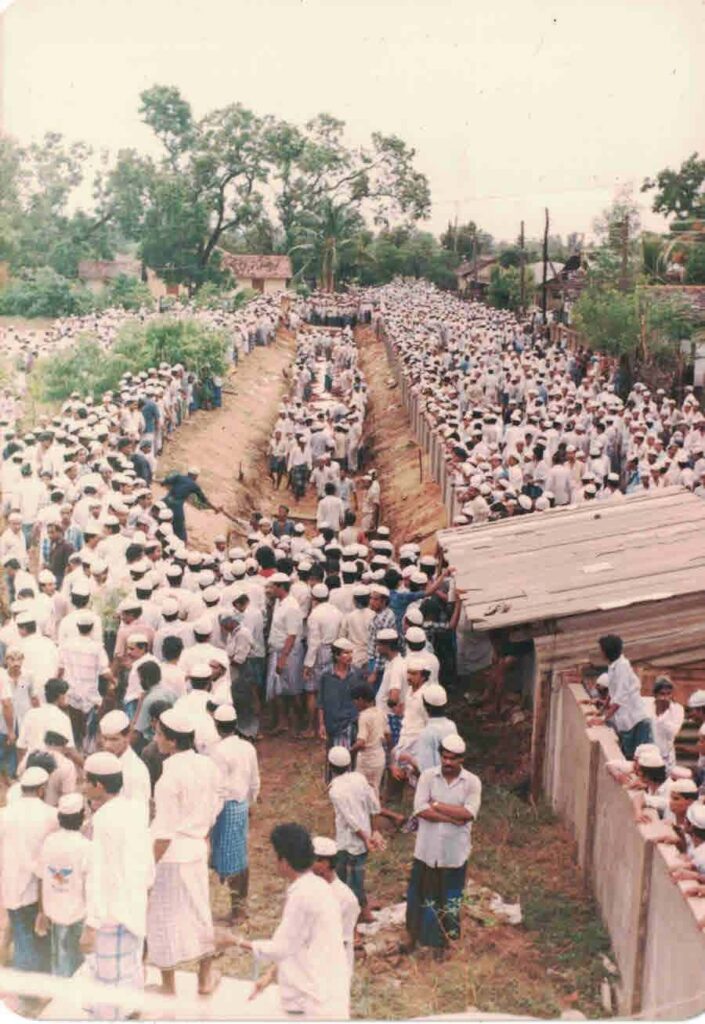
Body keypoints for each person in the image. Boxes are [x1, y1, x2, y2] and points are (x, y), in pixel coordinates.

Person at [231, 823, 350, 1019]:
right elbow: (297, 943)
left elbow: (281, 948)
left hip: (317, 1001)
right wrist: (271, 976)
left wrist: (233, 941)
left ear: (284, 862)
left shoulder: (303, 896)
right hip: (324, 991)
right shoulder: (318, 887)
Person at [147, 707, 222, 996]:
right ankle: (204, 977)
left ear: (172, 741)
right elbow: (216, 804)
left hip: (172, 853)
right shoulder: (208, 766)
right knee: (201, 911)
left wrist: (148, 866)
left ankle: (168, 987)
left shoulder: (168, 780)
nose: (156, 739)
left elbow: (163, 833)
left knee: (163, 916)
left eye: (159, 734)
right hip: (196, 847)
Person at [81, 750, 154, 1018]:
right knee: (130, 970)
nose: (83, 787)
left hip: (111, 913)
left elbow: (97, 876)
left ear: (98, 785)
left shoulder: (103, 819)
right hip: (134, 905)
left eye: (85, 782)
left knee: (108, 981)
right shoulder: (135, 809)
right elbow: (147, 864)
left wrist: (92, 923)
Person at [404, 733, 481, 956]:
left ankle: (449, 941)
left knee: (451, 898)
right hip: (426, 852)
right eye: (445, 757)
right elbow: (420, 809)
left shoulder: (472, 782)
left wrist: (436, 804)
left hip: (454, 854)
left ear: (461, 760)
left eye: (453, 758)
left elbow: (468, 813)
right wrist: (450, 817)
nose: (448, 762)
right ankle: (423, 940)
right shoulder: (428, 777)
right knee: (423, 898)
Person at [0, 766, 58, 972]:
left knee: (23, 936)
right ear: (42, 789)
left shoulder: (4, 814)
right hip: (40, 889)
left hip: (11, 885)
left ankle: (30, 992)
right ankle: (32, 993)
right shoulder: (51, 815)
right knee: (40, 936)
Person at [208, 704, 260, 923]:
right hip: (241, 804)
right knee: (237, 857)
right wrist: (251, 803)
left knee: (232, 860)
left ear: (217, 726)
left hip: (225, 807)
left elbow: (217, 788)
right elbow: (255, 780)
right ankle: (238, 905)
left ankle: (239, 909)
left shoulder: (218, 752)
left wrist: (211, 815)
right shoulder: (247, 747)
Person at [35, 792, 91, 977]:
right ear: (82, 817)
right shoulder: (86, 846)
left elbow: (41, 877)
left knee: (59, 959)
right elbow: (90, 886)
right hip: (79, 913)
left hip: (53, 912)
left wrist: (42, 911)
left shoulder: (49, 841)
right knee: (79, 964)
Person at [327, 746, 380, 923]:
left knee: (348, 880)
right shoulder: (359, 778)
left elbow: (350, 820)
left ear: (330, 766)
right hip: (363, 838)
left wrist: (366, 837)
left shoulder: (335, 790)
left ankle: (362, 913)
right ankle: (357, 909)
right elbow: (373, 805)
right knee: (355, 876)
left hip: (348, 841)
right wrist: (373, 832)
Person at [590, 635, 653, 759]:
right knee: (628, 754)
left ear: (607, 651)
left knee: (637, 757)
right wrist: (602, 710)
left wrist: (603, 718)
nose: (600, 652)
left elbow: (620, 697)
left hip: (635, 720)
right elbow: (613, 691)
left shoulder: (622, 666)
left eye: (601, 650)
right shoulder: (613, 665)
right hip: (626, 721)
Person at [311, 835, 359, 977]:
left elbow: (341, 942)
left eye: (312, 860)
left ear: (325, 863)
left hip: (333, 968)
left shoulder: (346, 899)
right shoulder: (310, 886)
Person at [161, 467, 222, 543]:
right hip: (176, 505)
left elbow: (165, 482)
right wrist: (214, 508)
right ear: (195, 476)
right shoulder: (194, 485)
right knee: (179, 527)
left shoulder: (179, 477)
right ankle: (181, 543)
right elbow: (203, 500)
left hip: (165, 500)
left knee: (160, 517)